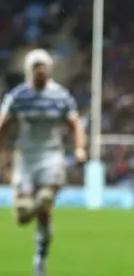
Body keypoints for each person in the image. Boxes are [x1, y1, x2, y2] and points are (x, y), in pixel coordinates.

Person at [0, 49, 86, 276]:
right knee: (21, 215)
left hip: (51, 154)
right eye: (35, 67)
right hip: (26, 157)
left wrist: (79, 149)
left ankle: (40, 259)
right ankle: (40, 200)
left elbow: (75, 124)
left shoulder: (60, 96)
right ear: (29, 70)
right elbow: (3, 126)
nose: (40, 71)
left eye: (43, 66)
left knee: (45, 210)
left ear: (49, 69)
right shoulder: (18, 96)